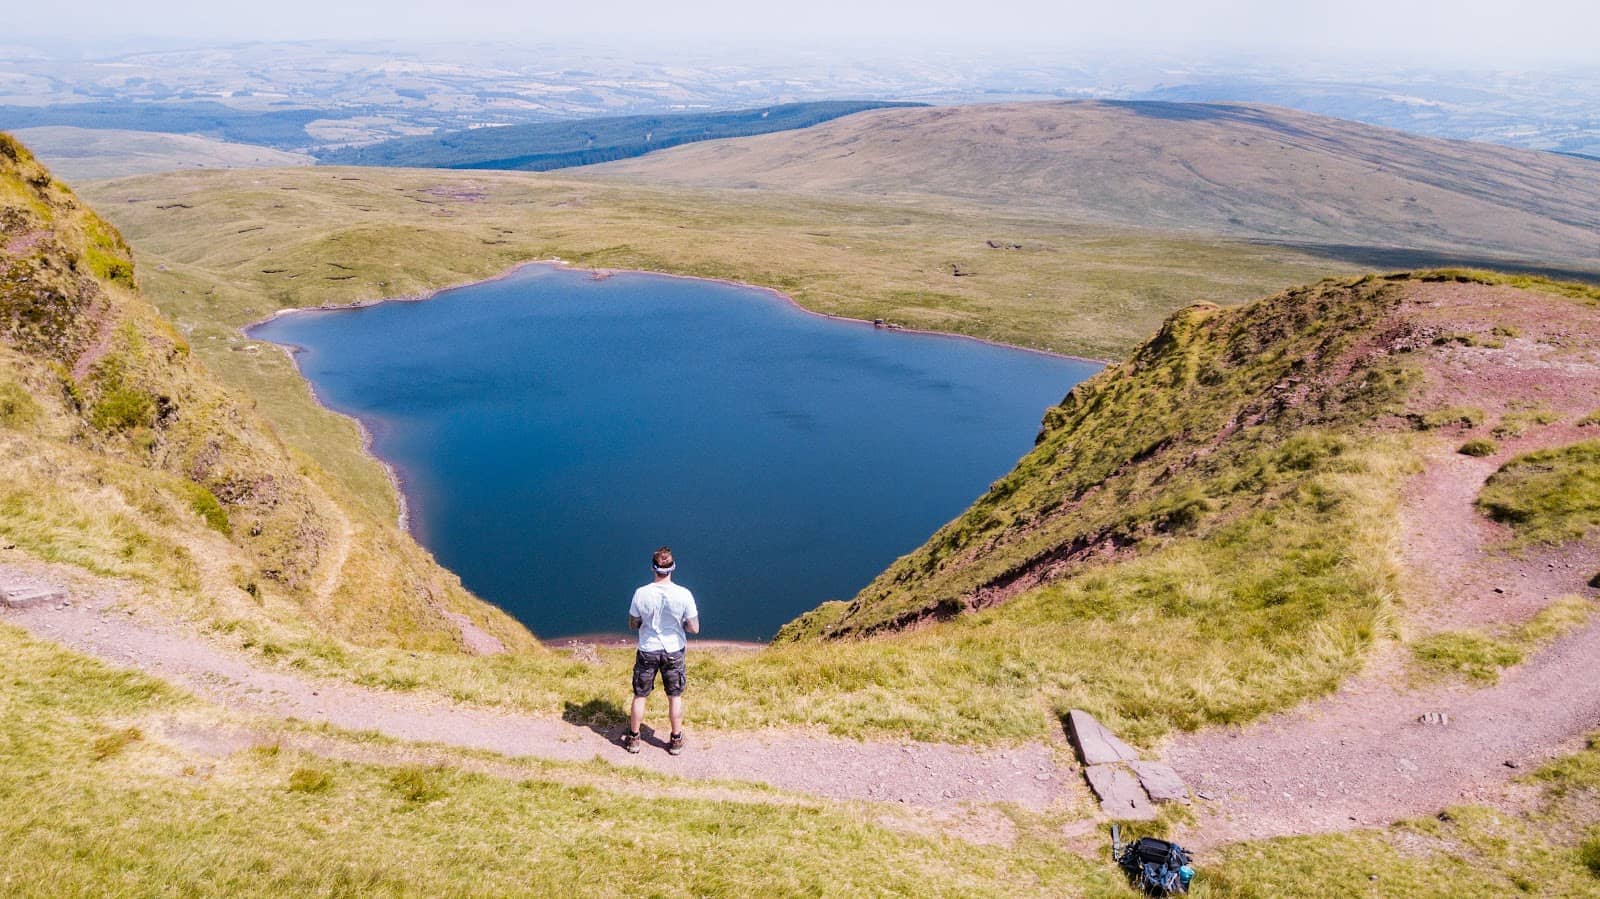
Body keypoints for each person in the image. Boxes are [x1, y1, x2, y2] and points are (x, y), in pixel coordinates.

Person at [622, 546, 699, 755]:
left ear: (652, 568)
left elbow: (633, 623)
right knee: (675, 696)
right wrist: (678, 625)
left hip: (648, 649)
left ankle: (634, 739)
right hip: (674, 649)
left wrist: (646, 623)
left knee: (640, 695)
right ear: (673, 567)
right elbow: (694, 628)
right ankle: (675, 739)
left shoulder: (641, 593)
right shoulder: (684, 594)